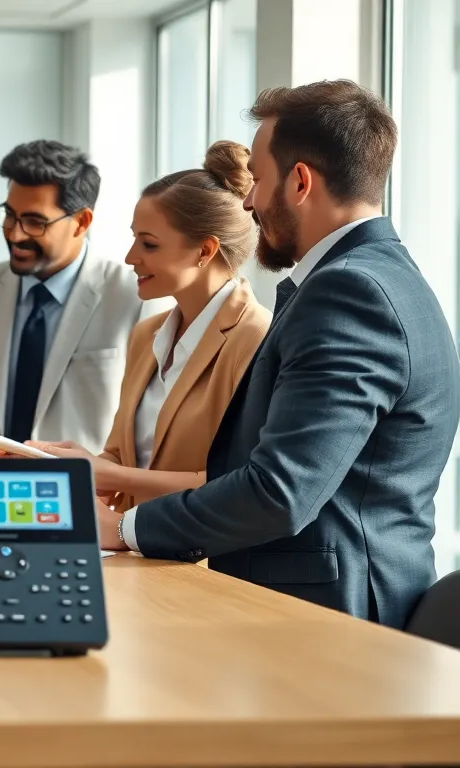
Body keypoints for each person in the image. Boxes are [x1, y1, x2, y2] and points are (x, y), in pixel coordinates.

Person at [99, 80, 460, 630]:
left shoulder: (350, 293)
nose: (246, 202)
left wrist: (123, 530)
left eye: (258, 181)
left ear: (299, 181)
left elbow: (280, 491)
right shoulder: (381, 277)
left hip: (335, 621)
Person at [26, 141, 271, 513]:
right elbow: (122, 456)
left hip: (205, 565)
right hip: (135, 554)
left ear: (205, 251)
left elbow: (240, 483)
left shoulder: (256, 338)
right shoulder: (147, 335)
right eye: (134, 238)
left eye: (149, 244)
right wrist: (68, 467)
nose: (130, 257)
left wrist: (109, 476)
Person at [0, 140, 163, 459]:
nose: (15, 234)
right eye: (9, 215)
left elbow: (148, 423)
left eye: (34, 222)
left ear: (82, 222)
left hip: (88, 497)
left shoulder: (135, 297)